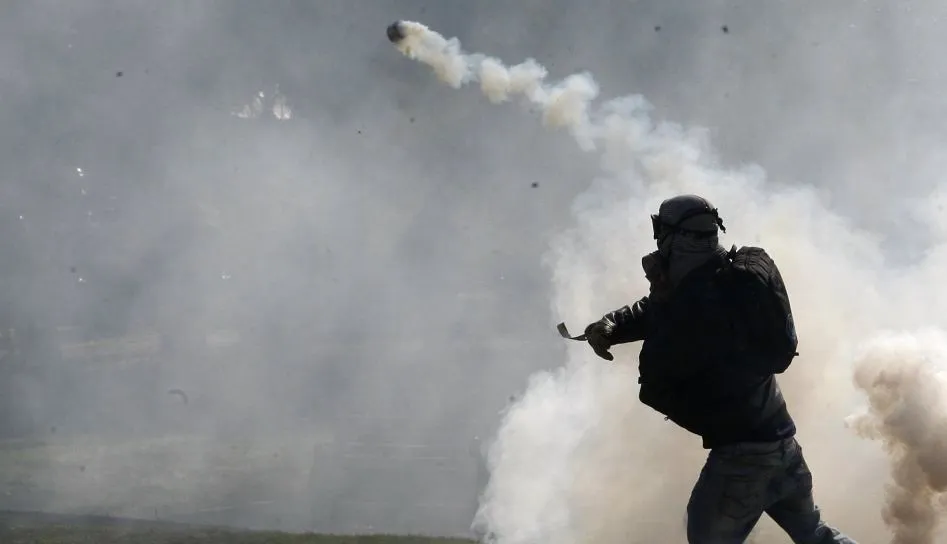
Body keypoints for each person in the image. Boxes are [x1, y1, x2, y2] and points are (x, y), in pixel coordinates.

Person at [581, 194, 857, 544]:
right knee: (815, 535)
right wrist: (614, 324)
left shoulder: (696, 303)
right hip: (784, 446)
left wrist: (661, 297)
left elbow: (656, 376)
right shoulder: (726, 281)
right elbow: (660, 311)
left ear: (675, 236)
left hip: (743, 460)